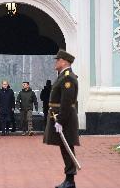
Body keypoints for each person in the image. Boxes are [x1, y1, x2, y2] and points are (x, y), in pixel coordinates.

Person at [43, 49, 79, 188]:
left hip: (65, 118)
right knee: (65, 147)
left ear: (64, 61)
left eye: (58, 60)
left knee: (67, 147)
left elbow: (66, 102)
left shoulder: (68, 77)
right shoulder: (63, 75)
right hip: (60, 116)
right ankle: (69, 179)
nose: (56, 62)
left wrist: (60, 121)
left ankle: (70, 180)